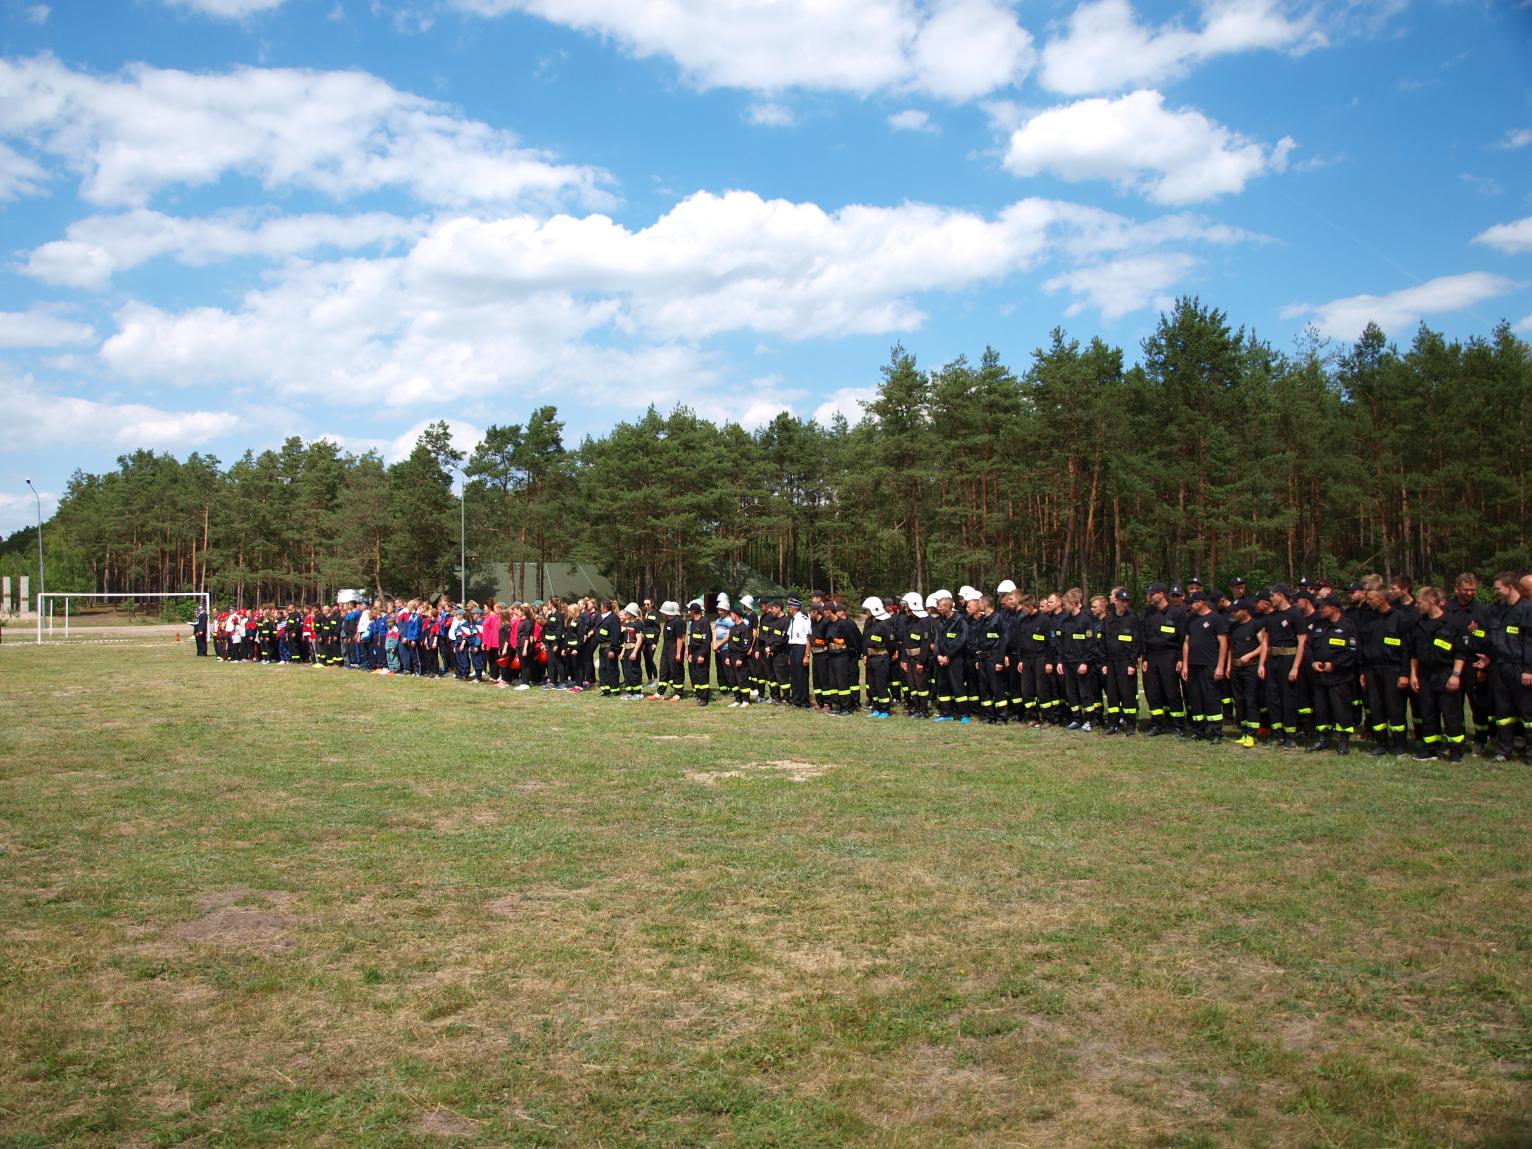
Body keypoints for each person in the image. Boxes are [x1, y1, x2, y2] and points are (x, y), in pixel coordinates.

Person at [1409, 586, 1470, 761]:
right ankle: (1431, 749)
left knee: (1451, 714)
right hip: (1425, 674)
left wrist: (1455, 675)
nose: (1416, 606)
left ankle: (1455, 751)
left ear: (1431, 601)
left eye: (1419, 603)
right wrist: (1413, 674)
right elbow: (1413, 653)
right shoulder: (1418, 624)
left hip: (1446, 673)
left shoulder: (1453, 623)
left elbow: (1460, 653)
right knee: (1428, 713)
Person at [1358, 579, 1412, 756]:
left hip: (1392, 669)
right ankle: (1381, 743)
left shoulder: (1399, 618)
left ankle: (1399, 745)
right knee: (1376, 707)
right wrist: (1363, 671)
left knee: (1395, 708)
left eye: (1371, 599)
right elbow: (1364, 646)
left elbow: (1406, 650)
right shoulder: (1368, 618)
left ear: (1382, 599)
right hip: (1372, 670)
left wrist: (1404, 674)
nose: (1368, 602)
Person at [1487, 571, 1532, 763]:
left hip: (1520, 667)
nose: (1496, 592)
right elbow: (1494, 638)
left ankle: (1530, 752)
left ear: (1510, 587)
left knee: (1528, 712)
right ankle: (1504, 751)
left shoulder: (1527, 609)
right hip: (1499, 666)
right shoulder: (1498, 610)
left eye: (1498, 588)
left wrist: (1528, 670)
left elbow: (1529, 642)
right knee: (1503, 711)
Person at [1307, 594, 1359, 755]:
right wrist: (1312, 662)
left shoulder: (1348, 626)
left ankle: (1343, 740)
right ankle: (1323, 738)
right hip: (1320, 676)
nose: (1320, 610)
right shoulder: (1319, 625)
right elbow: (1308, 646)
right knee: (1321, 709)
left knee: (1341, 709)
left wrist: (1334, 665)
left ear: (1334, 608)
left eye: (1323, 607)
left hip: (1339, 677)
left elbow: (1351, 652)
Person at [1181, 592, 1228, 743]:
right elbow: (1187, 642)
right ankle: (1198, 731)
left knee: (1211, 698)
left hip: (1209, 664)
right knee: (1195, 698)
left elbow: (1223, 643)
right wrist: (1185, 665)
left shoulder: (1216, 618)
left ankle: (1215, 732)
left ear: (1201, 602)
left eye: (1192, 603)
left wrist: (1220, 666)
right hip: (1193, 665)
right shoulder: (1191, 619)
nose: (1190, 606)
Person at [1140, 583, 1186, 737]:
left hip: (1169, 655)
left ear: (1161, 594)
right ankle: (1156, 723)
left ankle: (1178, 725)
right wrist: (1144, 657)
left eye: (1151, 594)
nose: (1148, 597)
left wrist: (1181, 658)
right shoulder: (1148, 613)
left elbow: (1182, 638)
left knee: (1172, 691)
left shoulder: (1176, 613)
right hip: (1152, 656)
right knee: (1152, 691)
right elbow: (1143, 637)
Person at [1100, 588, 1140, 734]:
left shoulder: (1132, 618)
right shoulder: (1108, 618)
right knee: (1112, 695)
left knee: (1128, 694)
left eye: (1127, 601)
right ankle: (1113, 724)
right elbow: (1103, 642)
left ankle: (1130, 724)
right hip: (1111, 662)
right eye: (1122, 601)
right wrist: (1104, 663)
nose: (1124, 604)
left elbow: (1136, 642)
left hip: (1126, 662)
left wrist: (1132, 663)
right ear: (1115, 601)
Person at [1227, 598, 1265, 747]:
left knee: (1250, 700)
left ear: (1245, 611)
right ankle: (1243, 731)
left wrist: (1249, 655)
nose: (1233, 614)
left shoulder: (1256, 625)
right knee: (1239, 700)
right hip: (1236, 668)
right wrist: (1228, 666)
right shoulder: (1233, 627)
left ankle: (1251, 733)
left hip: (1250, 667)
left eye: (1235, 611)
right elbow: (1231, 648)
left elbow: (1264, 645)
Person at [860, 596, 895, 718]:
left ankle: (884, 709)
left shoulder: (884, 624)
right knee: (872, 684)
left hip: (881, 658)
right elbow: (865, 640)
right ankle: (876, 707)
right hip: (871, 658)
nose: (866, 612)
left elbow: (891, 643)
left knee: (881, 684)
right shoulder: (870, 623)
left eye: (868, 610)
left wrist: (888, 654)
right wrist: (865, 654)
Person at [654, 601, 685, 700]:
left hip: (674, 648)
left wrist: (678, 653)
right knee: (663, 670)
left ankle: (678, 693)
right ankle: (660, 692)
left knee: (676, 670)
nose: (662, 614)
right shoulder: (668, 621)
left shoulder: (678, 622)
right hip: (666, 648)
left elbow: (680, 638)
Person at [785, 596, 812, 708]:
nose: (788, 609)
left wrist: (806, 655)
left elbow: (808, 638)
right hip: (792, 648)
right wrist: (789, 655)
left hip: (801, 648)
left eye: (789, 607)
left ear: (794, 607)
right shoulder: (792, 619)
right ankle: (796, 700)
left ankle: (804, 701)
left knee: (802, 675)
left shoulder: (804, 619)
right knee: (794, 676)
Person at [685, 599, 713, 705]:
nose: (689, 613)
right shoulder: (693, 622)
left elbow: (707, 641)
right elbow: (691, 639)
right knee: (695, 675)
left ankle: (704, 698)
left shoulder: (704, 621)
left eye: (690, 611)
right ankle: (699, 695)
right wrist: (689, 653)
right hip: (693, 653)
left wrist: (702, 655)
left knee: (702, 675)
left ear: (693, 611)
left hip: (702, 653)